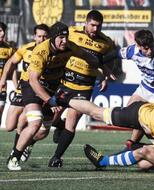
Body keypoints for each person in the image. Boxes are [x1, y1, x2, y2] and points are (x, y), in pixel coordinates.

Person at [7, 21, 99, 171]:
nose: (64, 41)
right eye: (61, 38)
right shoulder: (41, 52)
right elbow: (33, 80)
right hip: (31, 86)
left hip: (51, 88)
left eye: (66, 37)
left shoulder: (69, 46)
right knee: (35, 122)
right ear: (53, 38)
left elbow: (88, 57)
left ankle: (25, 144)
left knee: (43, 131)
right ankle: (14, 158)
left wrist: (102, 66)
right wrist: (50, 100)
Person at [48, 10, 115, 167]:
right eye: (92, 25)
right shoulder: (72, 32)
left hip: (84, 87)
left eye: (98, 26)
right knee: (51, 117)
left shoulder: (106, 42)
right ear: (85, 23)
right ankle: (58, 125)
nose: (95, 29)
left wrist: (105, 76)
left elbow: (108, 60)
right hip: (65, 82)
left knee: (72, 121)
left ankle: (56, 157)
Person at [109, 29, 154, 150]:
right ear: (138, 46)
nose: (150, 51)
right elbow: (115, 53)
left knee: (148, 123)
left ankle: (134, 146)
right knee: (129, 113)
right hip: (144, 89)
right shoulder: (132, 50)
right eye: (145, 48)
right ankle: (133, 145)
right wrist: (100, 64)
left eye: (151, 46)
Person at [0, 24, 49, 162]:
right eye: (39, 36)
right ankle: (24, 142)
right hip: (22, 89)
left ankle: (17, 151)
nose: (42, 39)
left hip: (36, 91)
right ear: (34, 36)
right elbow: (10, 62)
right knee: (10, 126)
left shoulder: (51, 52)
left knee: (23, 121)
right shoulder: (26, 49)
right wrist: (3, 79)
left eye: (45, 36)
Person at [0, 22, 16, 123]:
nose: (2, 34)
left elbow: (13, 69)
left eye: (3, 31)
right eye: (0, 31)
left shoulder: (9, 49)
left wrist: (16, 86)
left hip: (2, 86)